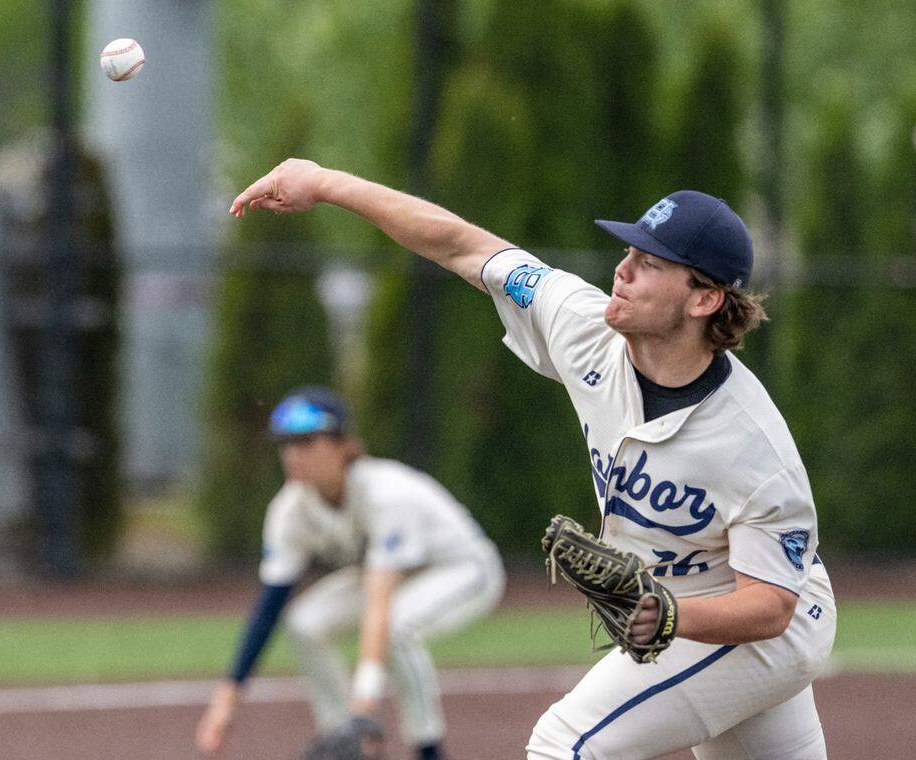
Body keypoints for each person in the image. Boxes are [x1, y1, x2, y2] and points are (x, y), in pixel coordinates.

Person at [227, 159, 837, 760]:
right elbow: (461, 246)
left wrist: (673, 614)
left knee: (564, 745)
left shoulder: (752, 444)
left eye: (648, 264)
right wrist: (328, 183)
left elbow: (772, 606)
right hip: (683, 609)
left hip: (763, 623)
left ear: (703, 299)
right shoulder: (583, 326)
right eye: (628, 252)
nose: (622, 272)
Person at [195, 386, 505, 760]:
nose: (293, 454)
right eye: (286, 444)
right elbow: (270, 605)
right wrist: (227, 699)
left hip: (462, 569)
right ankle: (345, 739)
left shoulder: (384, 493)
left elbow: (379, 602)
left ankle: (428, 750)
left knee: (394, 628)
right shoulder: (290, 509)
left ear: (344, 445)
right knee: (306, 624)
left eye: (307, 441)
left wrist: (364, 704)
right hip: (394, 577)